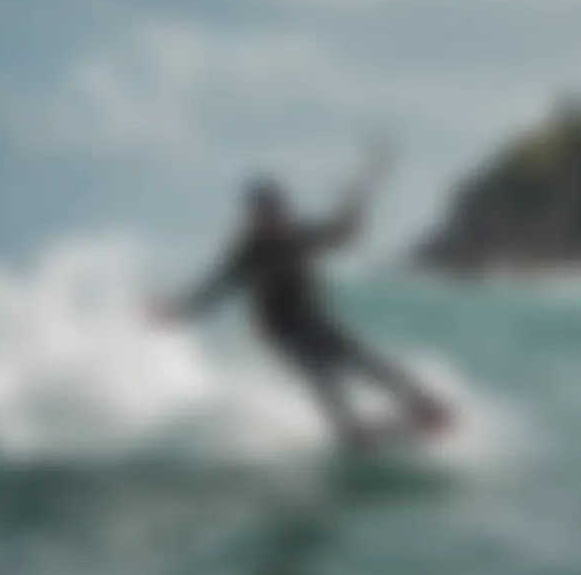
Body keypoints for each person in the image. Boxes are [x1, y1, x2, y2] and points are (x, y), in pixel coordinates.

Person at [148, 147, 451, 449]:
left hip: (313, 319)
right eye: (262, 216)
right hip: (280, 333)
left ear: (283, 211)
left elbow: (342, 235)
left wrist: (354, 215)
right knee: (323, 380)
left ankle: (423, 407)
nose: (271, 221)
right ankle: (353, 431)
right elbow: (214, 289)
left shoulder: (299, 235)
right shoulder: (247, 253)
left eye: (275, 213)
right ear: (253, 218)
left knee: (363, 359)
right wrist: (178, 310)